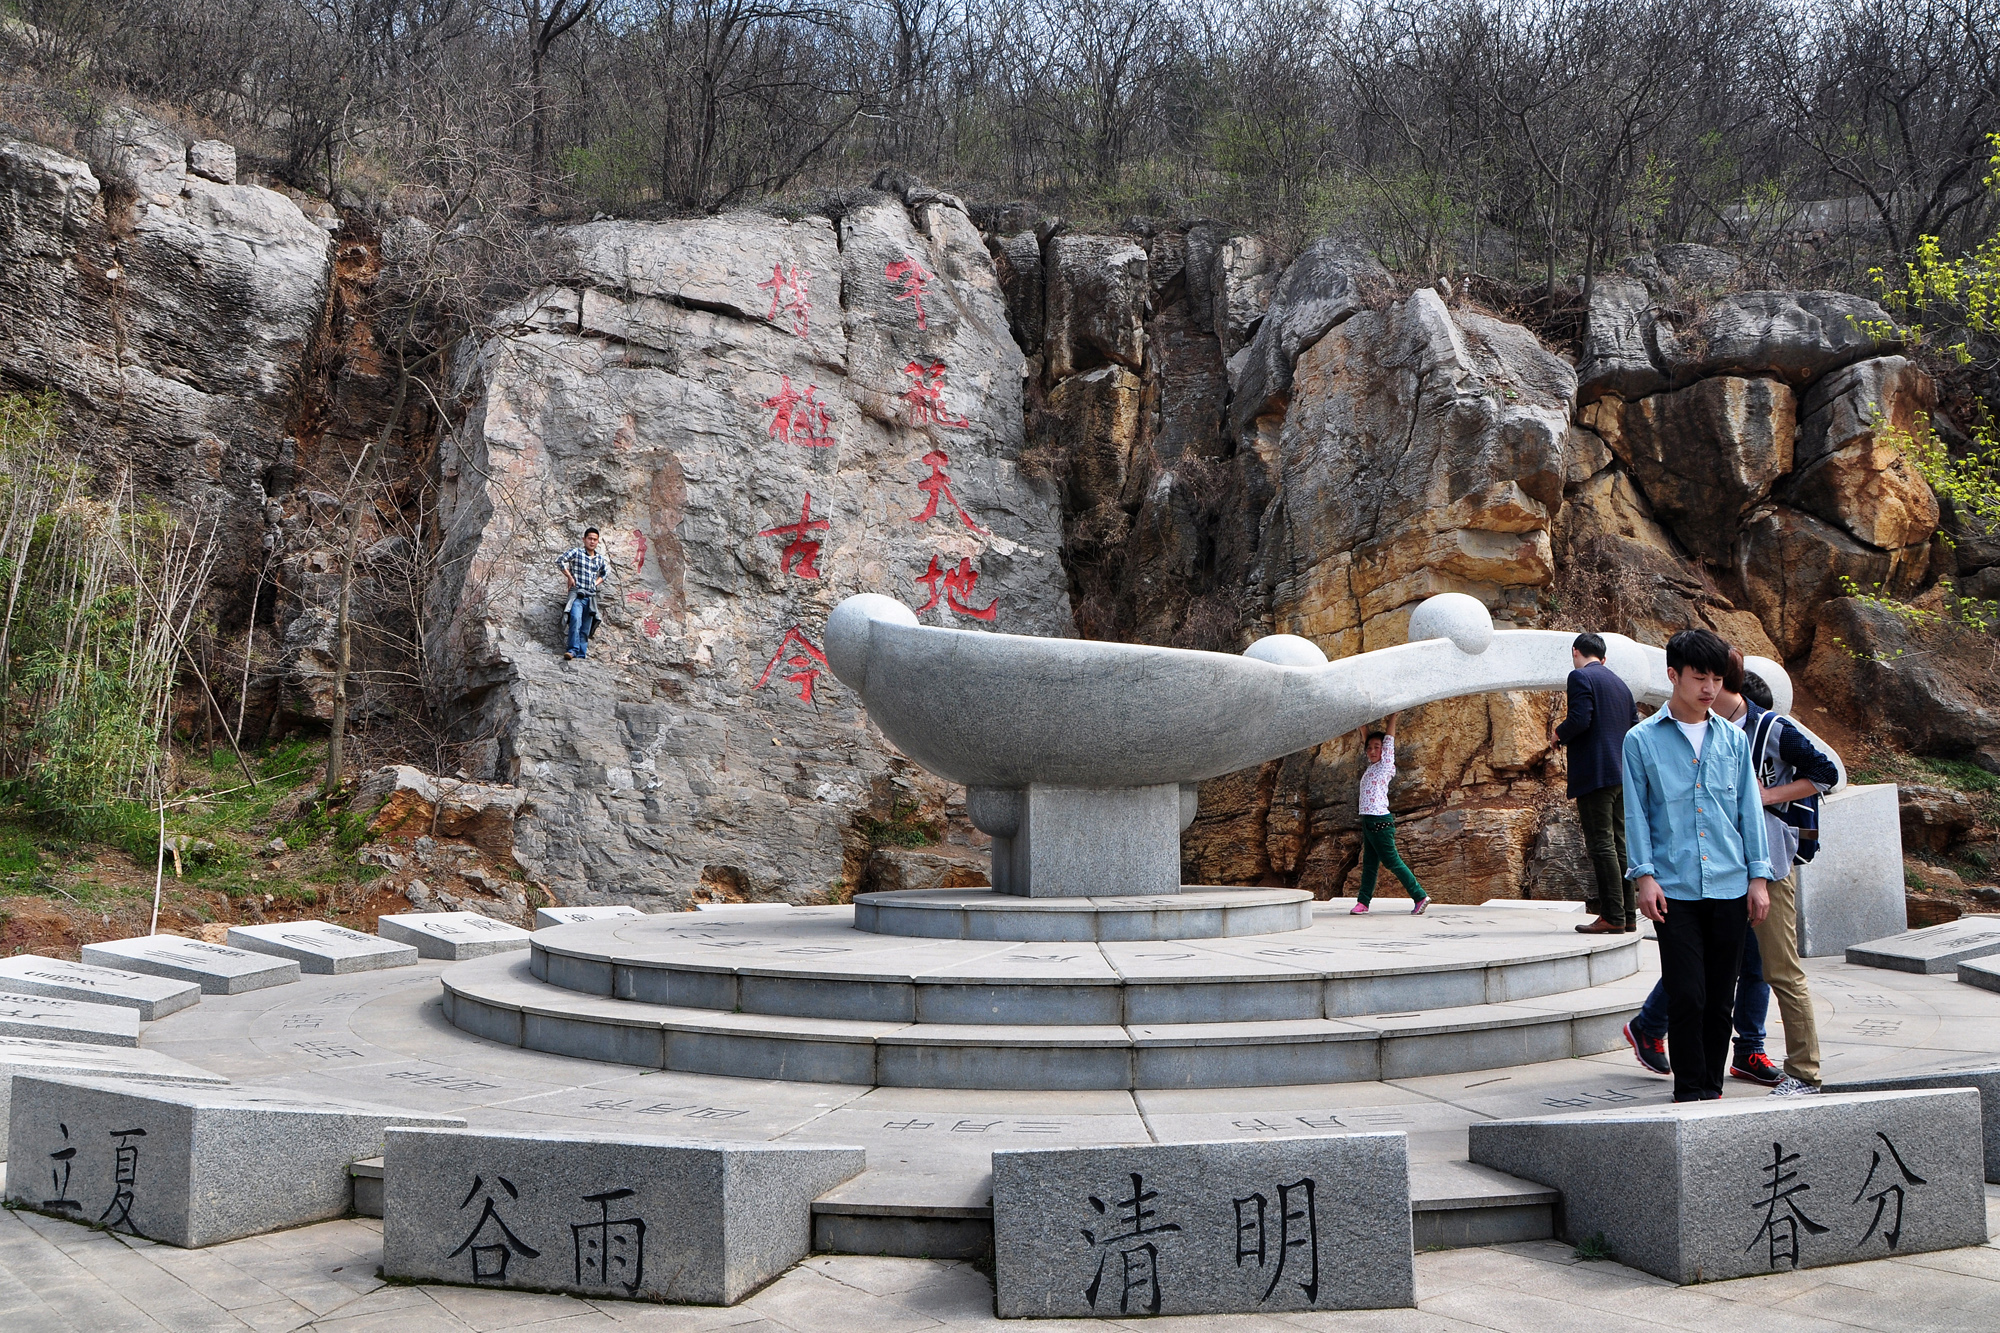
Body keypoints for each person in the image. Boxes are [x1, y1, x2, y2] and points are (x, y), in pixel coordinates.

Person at [1624, 628, 1772, 1102]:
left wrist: (1758, 876)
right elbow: (1635, 813)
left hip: (1730, 883)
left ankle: (1712, 1091)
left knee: (1719, 997)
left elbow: (1749, 809)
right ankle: (1689, 1092)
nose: (1710, 688)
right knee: (1688, 993)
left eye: (1716, 678)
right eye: (1699, 677)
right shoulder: (1641, 741)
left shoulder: (1732, 739)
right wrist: (1643, 876)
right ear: (1674, 675)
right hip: (1674, 887)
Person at [1738, 668, 1838, 1097]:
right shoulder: (1705, 731)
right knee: (1723, 965)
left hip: (1773, 864)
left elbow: (1826, 772)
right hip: (1726, 865)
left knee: (1780, 968)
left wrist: (1768, 796)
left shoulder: (1768, 728)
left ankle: (1804, 1073)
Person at [1550, 632, 1639, 935]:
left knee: (1601, 844)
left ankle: (1611, 915)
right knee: (1619, 844)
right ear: (1604, 657)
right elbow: (1634, 729)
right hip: (1621, 774)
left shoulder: (1579, 677)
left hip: (1595, 773)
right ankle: (1627, 914)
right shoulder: (1621, 685)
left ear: (1576, 651)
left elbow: (1581, 718)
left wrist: (1558, 734)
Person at [1352, 711, 1429, 915]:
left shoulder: (1386, 765)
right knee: (1369, 864)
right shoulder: (1371, 767)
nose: (1372, 751)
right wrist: (1363, 728)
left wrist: (1393, 717)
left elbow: (1389, 740)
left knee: (1391, 861)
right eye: (1369, 748)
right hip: (1369, 821)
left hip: (1379, 822)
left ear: (1384, 751)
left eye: (1377, 747)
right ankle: (1363, 902)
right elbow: (1367, 738)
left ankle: (1420, 896)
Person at [559, 528, 610, 661]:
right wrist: (570, 577)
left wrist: (595, 583)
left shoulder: (599, 559)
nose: (592, 541)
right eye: (590, 538)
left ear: (598, 541)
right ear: (584, 539)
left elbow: (605, 572)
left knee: (586, 627)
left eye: (595, 539)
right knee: (575, 619)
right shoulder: (577, 552)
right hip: (577, 594)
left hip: (591, 596)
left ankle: (581, 654)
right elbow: (560, 560)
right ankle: (572, 650)